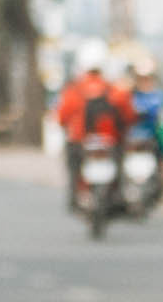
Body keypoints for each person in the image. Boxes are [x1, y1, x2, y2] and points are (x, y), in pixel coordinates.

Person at [53, 43, 134, 199]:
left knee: (73, 165)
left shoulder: (74, 90)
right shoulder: (114, 89)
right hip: (110, 142)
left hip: (80, 142)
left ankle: (75, 193)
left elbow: (62, 117)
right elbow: (128, 115)